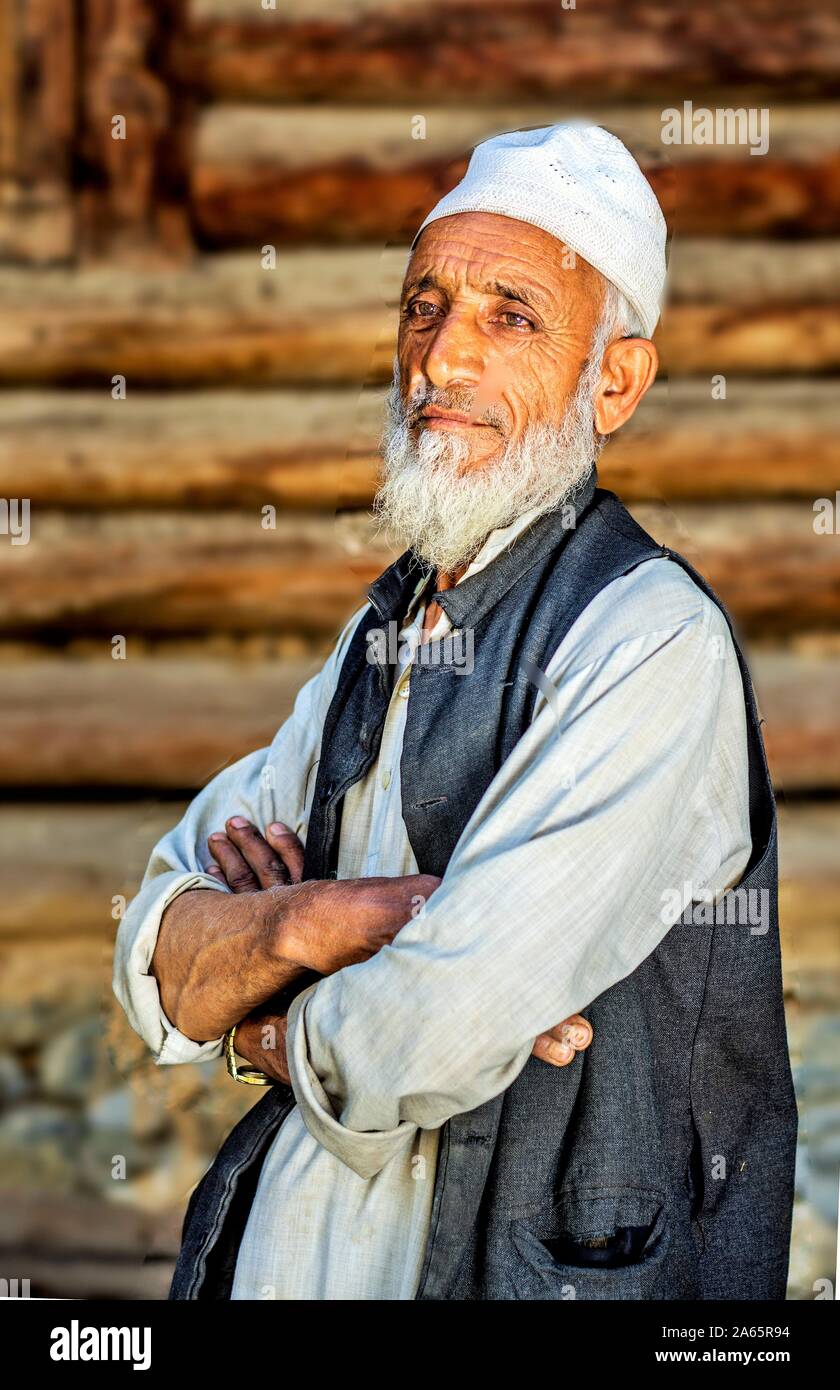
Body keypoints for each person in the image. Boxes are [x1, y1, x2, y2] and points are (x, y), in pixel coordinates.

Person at [114, 123, 797, 1301]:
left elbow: (435, 1023)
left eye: (510, 314)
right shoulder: (381, 631)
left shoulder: (652, 641)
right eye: (423, 306)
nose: (440, 359)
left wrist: (269, 1022)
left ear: (616, 381)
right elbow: (155, 955)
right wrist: (308, 928)